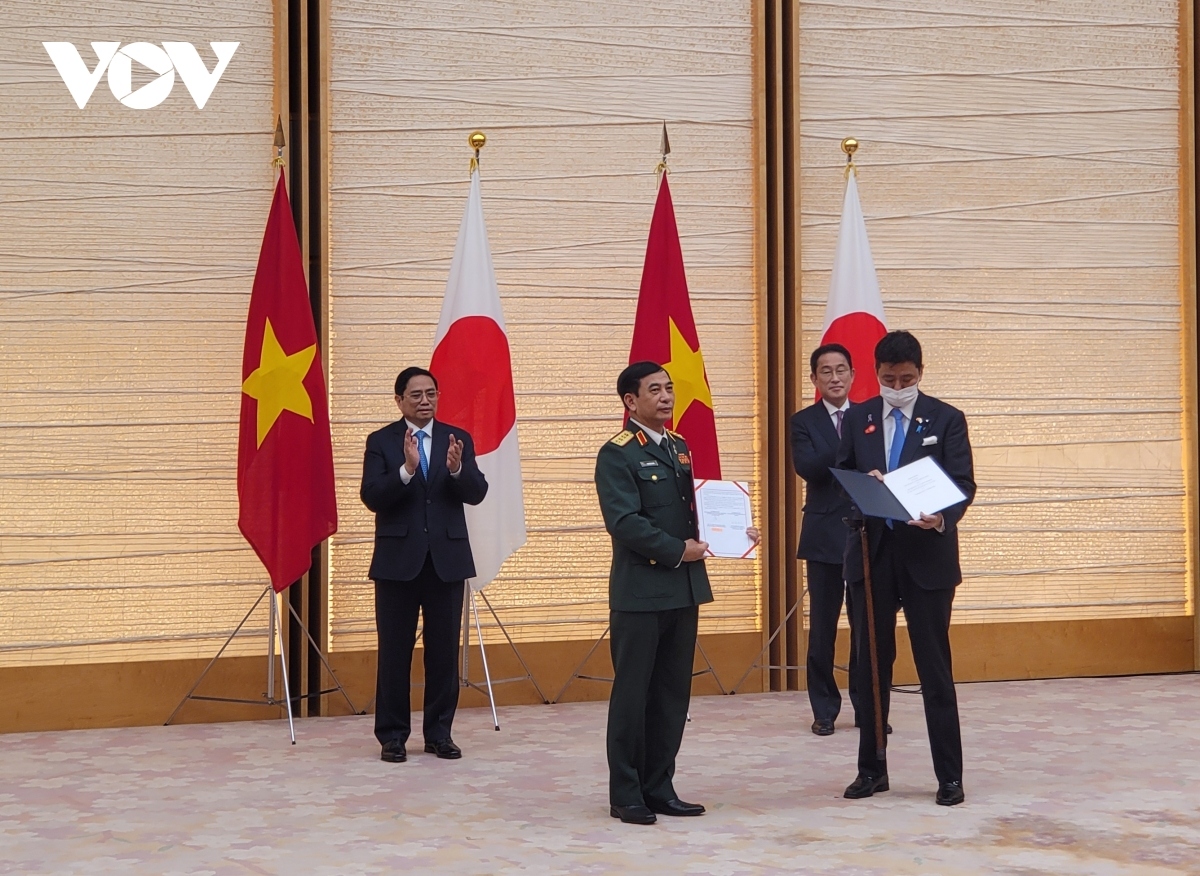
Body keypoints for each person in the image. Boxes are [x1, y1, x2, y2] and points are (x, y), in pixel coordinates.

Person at [594, 361, 760, 825]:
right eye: (655, 390)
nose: (666, 396)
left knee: (671, 695)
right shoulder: (618, 453)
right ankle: (626, 793)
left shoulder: (680, 447)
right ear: (631, 401)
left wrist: (734, 533)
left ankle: (659, 786)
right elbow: (624, 522)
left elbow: (696, 514)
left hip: (684, 590)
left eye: (669, 388)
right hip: (642, 590)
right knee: (633, 694)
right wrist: (675, 551)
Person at [835, 331, 975, 806]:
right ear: (876, 374)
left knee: (934, 667)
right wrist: (862, 485)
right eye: (889, 378)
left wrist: (942, 517)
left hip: (926, 556)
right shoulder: (858, 418)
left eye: (907, 378)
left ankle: (949, 777)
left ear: (920, 372)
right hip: (872, 557)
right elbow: (841, 477)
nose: (898, 386)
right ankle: (872, 769)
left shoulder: (947, 419)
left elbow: (962, 482)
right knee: (871, 667)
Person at [360, 366, 488, 764]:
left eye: (430, 393)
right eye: (415, 395)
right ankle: (393, 736)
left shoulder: (457, 439)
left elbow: (477, 492)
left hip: (446, 561)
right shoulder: (382, 441)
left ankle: (439, 733)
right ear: (399, 400)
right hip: (398, 563)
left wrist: (454, 469)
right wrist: (407, 470)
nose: (424, 401)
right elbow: (372, 496)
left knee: (444, 652)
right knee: (394, 652)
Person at [790, 343, 861, 736]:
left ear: (853, 374)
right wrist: (852, 443)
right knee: (823, 628)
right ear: (814, 379)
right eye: (826, 372)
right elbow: (810, 468)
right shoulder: (803, 421)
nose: (835, 378)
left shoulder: (870, 416)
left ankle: (867, 706)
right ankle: (824, 709)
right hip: (822, 536)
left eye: (841, 370)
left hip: (865, 532)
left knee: (866, 626)